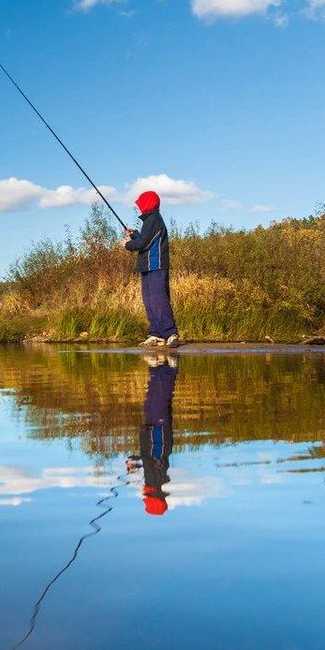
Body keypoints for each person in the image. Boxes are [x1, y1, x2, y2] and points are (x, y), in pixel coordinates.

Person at [123, 190, 179, 348]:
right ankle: (156, 334)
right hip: (147, 266)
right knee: (149, 301)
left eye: (140, 203)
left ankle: (170, 333)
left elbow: (143, 244)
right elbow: (145, 239)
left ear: (147, 204)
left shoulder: (153, 219)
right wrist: (135, 235)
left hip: (156, 265)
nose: (139, 206)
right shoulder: (149, 221)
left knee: (159, 300)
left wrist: (127, 244)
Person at [126, 354, 177, 516]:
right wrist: (153, 429)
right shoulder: (155, 478)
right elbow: (157, 454)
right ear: (152, 494)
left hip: (156, 427)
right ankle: (164, 365)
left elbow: (150, 458)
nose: (143, 494)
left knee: (156, 397)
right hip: (157, 427)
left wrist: (136, 462)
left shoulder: (155, 478)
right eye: (146, 496)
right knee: (157, 396)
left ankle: (165, 366)